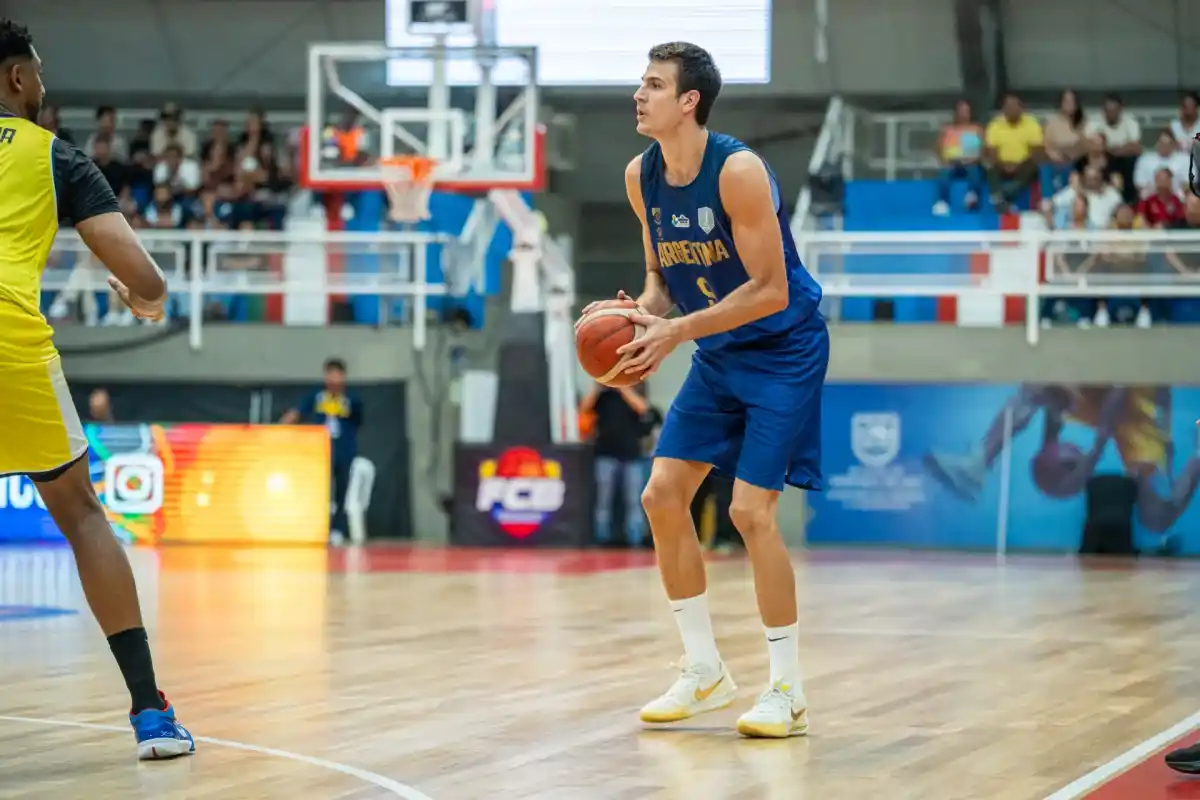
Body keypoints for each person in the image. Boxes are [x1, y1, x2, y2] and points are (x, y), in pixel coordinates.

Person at [578, 42, 828, 738]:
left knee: (751, 513)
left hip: (784, 350)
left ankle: (788, 689)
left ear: (690, 102)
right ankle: (704, 670)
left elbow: (771, 291)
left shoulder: (740, 172)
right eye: (640, 81)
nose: (639, 93)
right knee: (660, 495)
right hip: (717, 352)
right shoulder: (641, 176)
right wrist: (643, 318)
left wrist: (678, 330)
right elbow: (662, 280)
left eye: (654, 85)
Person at [0, 20, 193, 758]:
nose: (46, 89)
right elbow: (149, 282)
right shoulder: (57, 157)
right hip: (8, 341)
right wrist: (142, 301)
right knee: (81, 513)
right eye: (39, 75)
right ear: (18, 79)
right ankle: (150, 713)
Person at [281, 357, 364, 542]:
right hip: (321, 448)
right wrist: (282, 425)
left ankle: (338, 530)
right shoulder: (317, 396)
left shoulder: (352, 399)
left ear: (343, 377)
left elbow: (358, 421)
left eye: (337, 375)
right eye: (330, 375)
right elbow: (298, 412)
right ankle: (318, 526)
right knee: (320, 489)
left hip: (344, 448)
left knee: (342, 488)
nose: (334, 380)